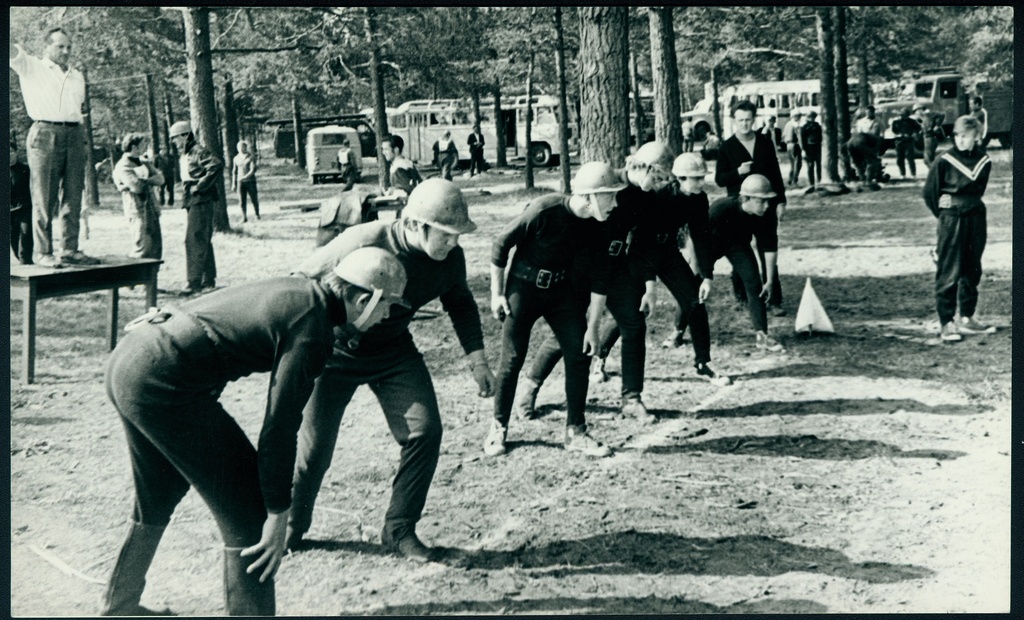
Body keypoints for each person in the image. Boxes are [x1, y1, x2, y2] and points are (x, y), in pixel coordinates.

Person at [101, 246, 408, 617]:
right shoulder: (314, 329)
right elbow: (279, 428)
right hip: (162, 377)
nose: (388, 316)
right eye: (388, 306)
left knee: (160, 489)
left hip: (133, 356)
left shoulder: (301, 290)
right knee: (251, 513)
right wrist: (278, 512)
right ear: (363, 299)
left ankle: (119, 608)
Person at [287, 179, 495, 562]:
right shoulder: (363, 239)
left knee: (424, 430)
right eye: (447, 235)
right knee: (314, 448)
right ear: (416, 224)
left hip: (392, 350)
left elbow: (461, 303)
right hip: (335, 353)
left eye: (458, 236)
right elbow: (299, 283)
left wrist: (477, 360)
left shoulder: (450, 259)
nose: (454, 243)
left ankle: (399, 529)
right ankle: (291, 526)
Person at [485, 162, 624, 459]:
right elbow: (500, 245)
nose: (615, 203)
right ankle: (498, 427)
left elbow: (601, 278)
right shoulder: (543, 210)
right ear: (588, 196)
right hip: (523, 290)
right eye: (609, 196)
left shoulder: (601, 224)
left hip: (562, 293)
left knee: (579, 353)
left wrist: (593, 326)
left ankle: (576, 431)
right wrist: (497, 294)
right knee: (512, 359)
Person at [10, 28, 99, 268]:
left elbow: (76, 109)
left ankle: (69, 249)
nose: (66, 51)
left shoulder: (76, 75)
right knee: (44, 195)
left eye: (69, 46)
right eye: (60, 46)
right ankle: (43, 252)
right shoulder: (31, 66)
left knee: (73, 194)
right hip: (45, 132)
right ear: (46, 46)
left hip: (74, 133)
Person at [922, 115, 993, 342]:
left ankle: (968, 317)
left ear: (977, 136)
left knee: (972, 268)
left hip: (976, 217)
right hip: (952, 219)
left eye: (967, 136)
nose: (962, 140)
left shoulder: (984, 160)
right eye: (958, 136)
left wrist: (968, 208)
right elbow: (930, 193)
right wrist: (946, 213)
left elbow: (977, 191)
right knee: (949, 270)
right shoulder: (944, 160)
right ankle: (947, 322)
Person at [716, 100, 788, 317]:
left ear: (754, 120)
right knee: (740, 250)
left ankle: (774, 300)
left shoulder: (765, 142)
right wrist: (737, 172)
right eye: (740, 121)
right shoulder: (726, 147)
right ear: (733, 121)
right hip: (741, 209)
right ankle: (742, 296)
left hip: (765, 205)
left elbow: (775, 172)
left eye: (748, 120)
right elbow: (720, 179)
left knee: (768, 250)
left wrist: (781, 201)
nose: (744, 124)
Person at [707, 175, 786, 352]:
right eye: (761, 201)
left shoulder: (767, 215)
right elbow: (698, 239)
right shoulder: (721, 208)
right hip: (711, 244)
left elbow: (770, 248)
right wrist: (702, 271)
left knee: (754, 284)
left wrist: (771, 280)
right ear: (745, 198)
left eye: (769, 201)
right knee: (693, 283)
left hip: (738, 246)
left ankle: (762, 335)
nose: (767, 206)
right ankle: (677, 331)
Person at [169, 120, 222, 296]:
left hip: (201, 198)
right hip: (193, 198)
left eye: (175, 138)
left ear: (185, 136)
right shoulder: (187, 153)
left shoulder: (197, 150)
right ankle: (207, 280)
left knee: (194, 239)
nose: (174, 142)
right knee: (201, 238)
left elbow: (215, 164)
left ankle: (194, 282)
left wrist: (200, 186)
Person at [112, 133, 164, 259]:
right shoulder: (123, 166)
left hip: (152, 209)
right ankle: (139, 277)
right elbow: (137, 187)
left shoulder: (144, 162)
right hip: (137, 211)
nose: (146, 147)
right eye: (143, 144)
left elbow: (161, 179)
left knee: (156, 250)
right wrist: (149, 180)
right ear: (134, 146)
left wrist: (144, 180)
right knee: (142, 249)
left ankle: (152, 278)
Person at [10, 137, 34, 265]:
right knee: (13, 238)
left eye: (11, 151)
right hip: (9, 211)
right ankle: (22, 260)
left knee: (25, 234)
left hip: (25, 208)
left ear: (16, 153)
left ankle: (26, 261)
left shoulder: (26, 170)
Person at [231, 140, 260, 222]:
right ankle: (244, 217)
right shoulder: (236, 158)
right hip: (240, 182)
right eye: (239, 147)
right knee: (241, 200)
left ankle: (257, 214)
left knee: (254, 198)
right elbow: (234, 171)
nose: (240, 149)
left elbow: (252, 169)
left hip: (250, 181)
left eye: (242, 147)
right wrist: (234, 183)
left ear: (245, 148)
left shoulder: (251, 157)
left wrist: (245, 177)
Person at [892, 107, 921, 179]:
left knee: (910, 158)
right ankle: (902, 174)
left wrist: (913, 134)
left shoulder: (912, 121)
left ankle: (913, 174)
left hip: (909, 141)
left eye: (905, 114)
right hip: (899, 141)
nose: (903, 116)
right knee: (900, 158)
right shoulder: (895, 122)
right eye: (902, 114)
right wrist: (900, 135)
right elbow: (894, 131)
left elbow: (918, 128)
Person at [799, 110, 823, 189]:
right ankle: (811, 183)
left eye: (813, 117)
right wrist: (803, 150)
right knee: (810, 166)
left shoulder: (817, 126)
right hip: (809, 148)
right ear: (808, 117)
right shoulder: (805, 127)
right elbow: (802, 139)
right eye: (810, 117)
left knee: (819, 165)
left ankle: (819, 181)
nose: (812, 119)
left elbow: (821, 137)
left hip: (817, 147)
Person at [782, 109, 804, 186]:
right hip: (795, 144)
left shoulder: (788, 124)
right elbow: (799, 137)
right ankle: (794, 180)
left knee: (792, 164)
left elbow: (783, 135)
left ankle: (790, 179)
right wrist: (802, 148)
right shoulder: (796, 125)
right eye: (798, 116)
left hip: (788, 145)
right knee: (798, 164)